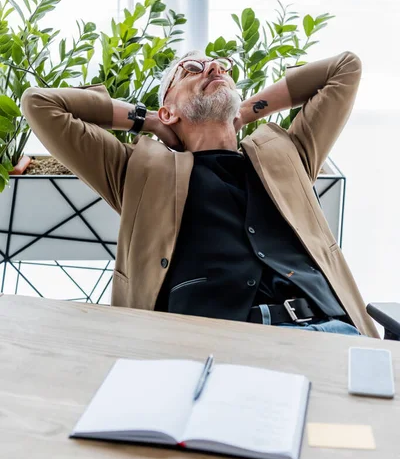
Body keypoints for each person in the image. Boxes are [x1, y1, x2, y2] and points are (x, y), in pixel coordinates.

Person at [21, 50, 379, 337]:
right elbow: (40, 103)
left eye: (221, 67)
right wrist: (151, 120)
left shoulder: (287, 152)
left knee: (356, 430)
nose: (213, 68)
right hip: (208, 342)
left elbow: (344, 69)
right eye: (192, 69)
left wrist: (241, 112)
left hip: (330, 334)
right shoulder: (139, 172)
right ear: (168, 109)